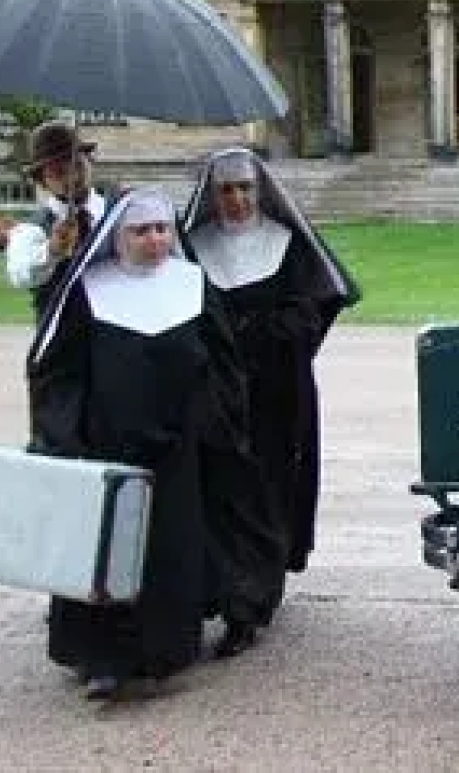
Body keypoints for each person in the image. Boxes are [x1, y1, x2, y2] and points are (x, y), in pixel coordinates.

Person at [26, 188, 277, 699]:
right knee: (107, 549)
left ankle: (166, 650)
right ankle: (104, 658)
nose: (156, 239)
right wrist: (67, 435)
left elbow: (224, 364)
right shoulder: (88, 289)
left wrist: (212, 419)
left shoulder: (192, 284)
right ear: (118, 236)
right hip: (107, 444)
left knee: (170, 546)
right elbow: (58, 372)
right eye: (142, 231)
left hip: (178, 448)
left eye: (163, 229)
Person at [183, 148, 358, 618]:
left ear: (260, 193)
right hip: (216, 393)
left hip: (278, 389)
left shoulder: (287, 244)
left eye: (245, 189)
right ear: (211, 196)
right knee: (221, 489)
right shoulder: (191, 247)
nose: (237, 199)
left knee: (272, 486)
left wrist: (258, 334)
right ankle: (223, 586)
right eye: (226, 190)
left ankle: (257, 597)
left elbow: (314, 309)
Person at [4, 121, 112, 318]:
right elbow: (20, 276)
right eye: (59, 173)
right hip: (61, 336)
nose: (73, 177)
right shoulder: (32, 229)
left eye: (78, 165)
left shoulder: (117, 213)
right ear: (42, 182)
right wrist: (52, 252)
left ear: (90, 161)